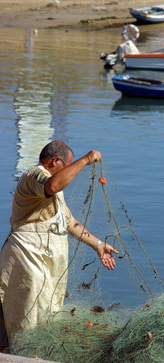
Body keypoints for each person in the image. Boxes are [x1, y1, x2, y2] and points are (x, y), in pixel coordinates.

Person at [0, 141, 118, 350]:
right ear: (55, 161)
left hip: (46, 262)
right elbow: (53, 185)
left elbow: (70, 223)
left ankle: (32, 356)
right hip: (26, 259)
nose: (70, 173)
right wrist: (87, 159)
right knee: (23, 314)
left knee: (47, 312)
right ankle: (18, 358)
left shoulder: (56, 192)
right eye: (68, 165)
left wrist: (98, 244)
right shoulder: (34, 176)